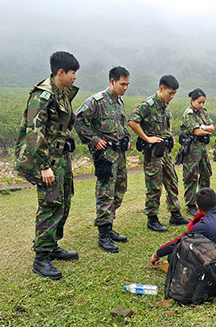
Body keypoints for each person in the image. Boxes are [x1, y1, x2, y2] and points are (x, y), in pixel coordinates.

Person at [15, 51, 80, 279]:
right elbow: (34, 133)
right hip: (47, 161)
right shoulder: (42, 96)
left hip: (61, 157)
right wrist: (43, 166)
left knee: (64, 201)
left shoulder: (61, 94)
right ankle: (41, 258)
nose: (75, 78)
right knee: (50, 204)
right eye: (73, 73)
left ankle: (52, 247)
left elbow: (58, 125)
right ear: (60, 72)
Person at [75, 66, 131, 253]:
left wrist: (126, 138)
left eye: (128, 84)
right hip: (106, 156)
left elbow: (121, 125)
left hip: (119, 154)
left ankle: (110, 225)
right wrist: (94, 139)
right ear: (112, 81)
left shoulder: (119, 102)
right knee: (105, 192)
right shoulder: (97, 101)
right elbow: (79, 119)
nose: (125, 87)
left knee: (120, 189)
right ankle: (103, 234)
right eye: (122, 84)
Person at [150, 188, 216, 287]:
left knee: (174, 255)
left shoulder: (204, 225)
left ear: (198, 208)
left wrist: (157, 254)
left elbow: (179, 242)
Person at [128, 75, 189, 232]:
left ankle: (175, 214)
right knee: (154, 185)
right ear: (161, 88)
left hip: (164, 151)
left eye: (175, 93)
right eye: (170, 92)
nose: (172, 96)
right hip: (152, 153)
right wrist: (146, 138)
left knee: (172, 181)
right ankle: (152, 219)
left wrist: (169, 136)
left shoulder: (164, 106)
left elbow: (163, 126)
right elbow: (132, 121)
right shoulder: (148, 105)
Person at [180, 88, 214, 216]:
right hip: (192, 148)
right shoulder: (188, 114)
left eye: (203, 102)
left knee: (206, 173)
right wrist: (205, 130)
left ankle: (205, 201)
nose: (201, 105)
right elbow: (197, 132)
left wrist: (204, 128)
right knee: (191, 175)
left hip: (203, 147)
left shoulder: (203, 112)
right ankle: (191, 204)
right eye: (199, 102)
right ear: (192, 101)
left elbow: (212, 126)